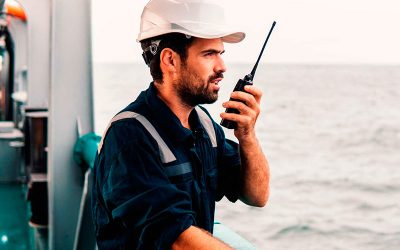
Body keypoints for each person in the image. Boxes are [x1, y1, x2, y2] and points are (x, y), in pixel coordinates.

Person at [91, 0, 270, 249]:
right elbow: (177, 240)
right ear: (170, 60)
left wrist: (247, 136)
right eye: (209, 54)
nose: (222, 67)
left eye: (221, 54)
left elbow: (257, 195)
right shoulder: (129, 136)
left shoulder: (204, 126)